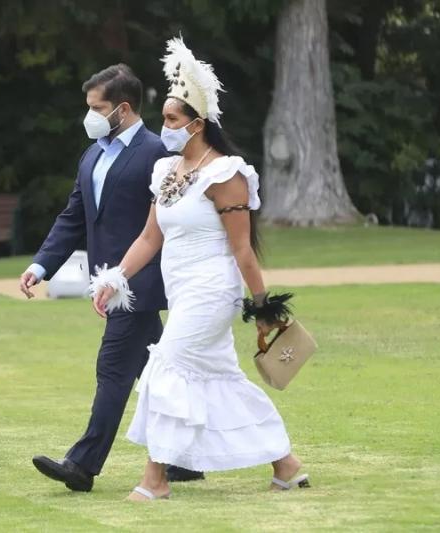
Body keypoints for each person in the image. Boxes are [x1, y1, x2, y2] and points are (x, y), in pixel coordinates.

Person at [91, 37, 309, 501]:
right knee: (222, 379)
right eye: (165, 117)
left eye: (172, 120)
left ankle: (156, 478)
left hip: (213, 289)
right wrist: (115, 278)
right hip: (182, 286)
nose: (164, 127)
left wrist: (262, 306)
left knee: (165, 365)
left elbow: (244, 250)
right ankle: (286, 465)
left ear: (197, 122)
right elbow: (151, 236)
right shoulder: (166, 169)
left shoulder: (225, 173)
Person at [19, 63, 203, 492]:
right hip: (106, 279)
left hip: (139, 285)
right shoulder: (92, 154)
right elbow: (74, 218)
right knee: (158, 369)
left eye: (97, 107)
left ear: (122, 108)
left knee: (113, 368)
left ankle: (82, 466)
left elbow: (171, 223)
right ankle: (185, 458)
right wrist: (39, 265)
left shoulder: (158, 152)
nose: (90, 115)